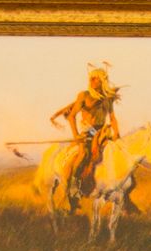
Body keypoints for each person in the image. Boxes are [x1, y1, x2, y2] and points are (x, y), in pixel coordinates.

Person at [50, 62, 120, 208]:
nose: (92, 81)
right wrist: (76, 135)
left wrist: (117, 133)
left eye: (95, 78)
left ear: (102, 81)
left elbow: (112, 118)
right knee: (83, 154)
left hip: (102, 133)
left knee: (117, 154)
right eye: (91, 78)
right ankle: (74, 187)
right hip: (87, 133)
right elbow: (71, 116)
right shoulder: (84, 96)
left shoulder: (108, 98)